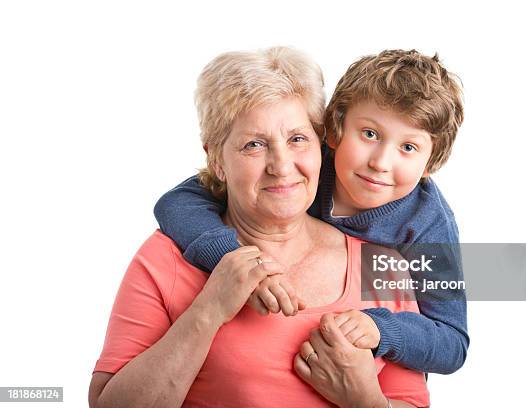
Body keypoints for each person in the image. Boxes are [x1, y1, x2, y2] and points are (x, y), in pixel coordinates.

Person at [89, 47, 429, 408]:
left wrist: (365, 401)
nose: (281, 166)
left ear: (321, 147)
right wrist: (208, 310)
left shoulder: (382, 267)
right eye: (254, 145)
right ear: (217, 160)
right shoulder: (164, 260)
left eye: (298, 139)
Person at [154, 49, 469, 374]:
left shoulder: (429, 225)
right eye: (370, 134)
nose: (381, 163)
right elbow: (177, 202)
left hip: (364, 365)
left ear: (432, 163)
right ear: (332, 132)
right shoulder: (301, 161)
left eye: (408, 147)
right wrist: (230, 255)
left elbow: (452, 342)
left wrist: (381, 329)